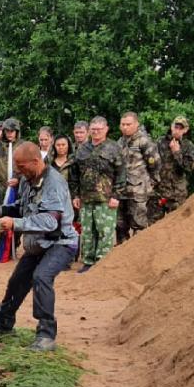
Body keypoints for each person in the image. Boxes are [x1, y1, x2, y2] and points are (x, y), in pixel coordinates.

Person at [0, 142, 78, 352]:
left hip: (60, 242)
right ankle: (3, 324)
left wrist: (16, 224)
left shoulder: (54, 183)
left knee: (41, 277)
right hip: (37, 243)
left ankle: (46, 336)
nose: (19, 172)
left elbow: (52, 221)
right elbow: (22, 207)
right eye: (17, 167)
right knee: (17, 281)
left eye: (22, 167)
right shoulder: (27, 180)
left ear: (36, 161)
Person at [67, 116, 126, 273]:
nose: (96, 132)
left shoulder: (114, 148)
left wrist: (116, 195)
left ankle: (102, 262)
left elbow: (121, 174)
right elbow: (74, 175)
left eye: (99, 129)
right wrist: (75, 195)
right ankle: (88, 261)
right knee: (87, 231)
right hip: (86, 199)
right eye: (93, 129)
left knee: (104, 231)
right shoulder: (82, 149)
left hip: (105, 199)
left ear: (106, 129)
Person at [116, 112, 159, 242]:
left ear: (136, 124)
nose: (125, 127)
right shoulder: (120, 141)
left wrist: (152, 182)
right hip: (122, 190)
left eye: (128, 124)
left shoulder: (144, 141)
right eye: (122, 124)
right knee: (120, 224)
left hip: (138, 190)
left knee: (138, 223)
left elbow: (155, 163)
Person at [150, 116, 194, 222]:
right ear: (171, 127)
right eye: (175, 127)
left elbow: (190, 167)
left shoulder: (188, 146)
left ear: (185, 130)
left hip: (177, 194)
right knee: (154, 227)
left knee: (177, 225)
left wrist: (177, 152)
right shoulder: (159, 142)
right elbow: (150, 163)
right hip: (159, 192)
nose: (177, 130)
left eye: (181, 128)